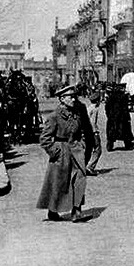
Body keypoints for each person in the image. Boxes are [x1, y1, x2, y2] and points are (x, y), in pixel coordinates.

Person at [36, 85, 93, 222]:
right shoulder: (54, 116)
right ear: (62, 99)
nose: (73, 99)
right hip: (61, 149)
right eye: (70, 97)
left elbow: (83, 130)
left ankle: (77, 211)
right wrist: (55, 151)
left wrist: (83, 144)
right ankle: (52, 210)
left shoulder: (77, 112)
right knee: (59, 182)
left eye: (74, 96)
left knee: (80, 177)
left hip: (76, 148)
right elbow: (44, 138)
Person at [82, 91, 102, 176]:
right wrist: (95, 133)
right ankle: (90, 167)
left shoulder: (89, 107)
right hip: (92, 132)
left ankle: (83, 167)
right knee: (98, 149)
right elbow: (92, 122)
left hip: (86, 132)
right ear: (97, 101)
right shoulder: (95, 109)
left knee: (87, 149)